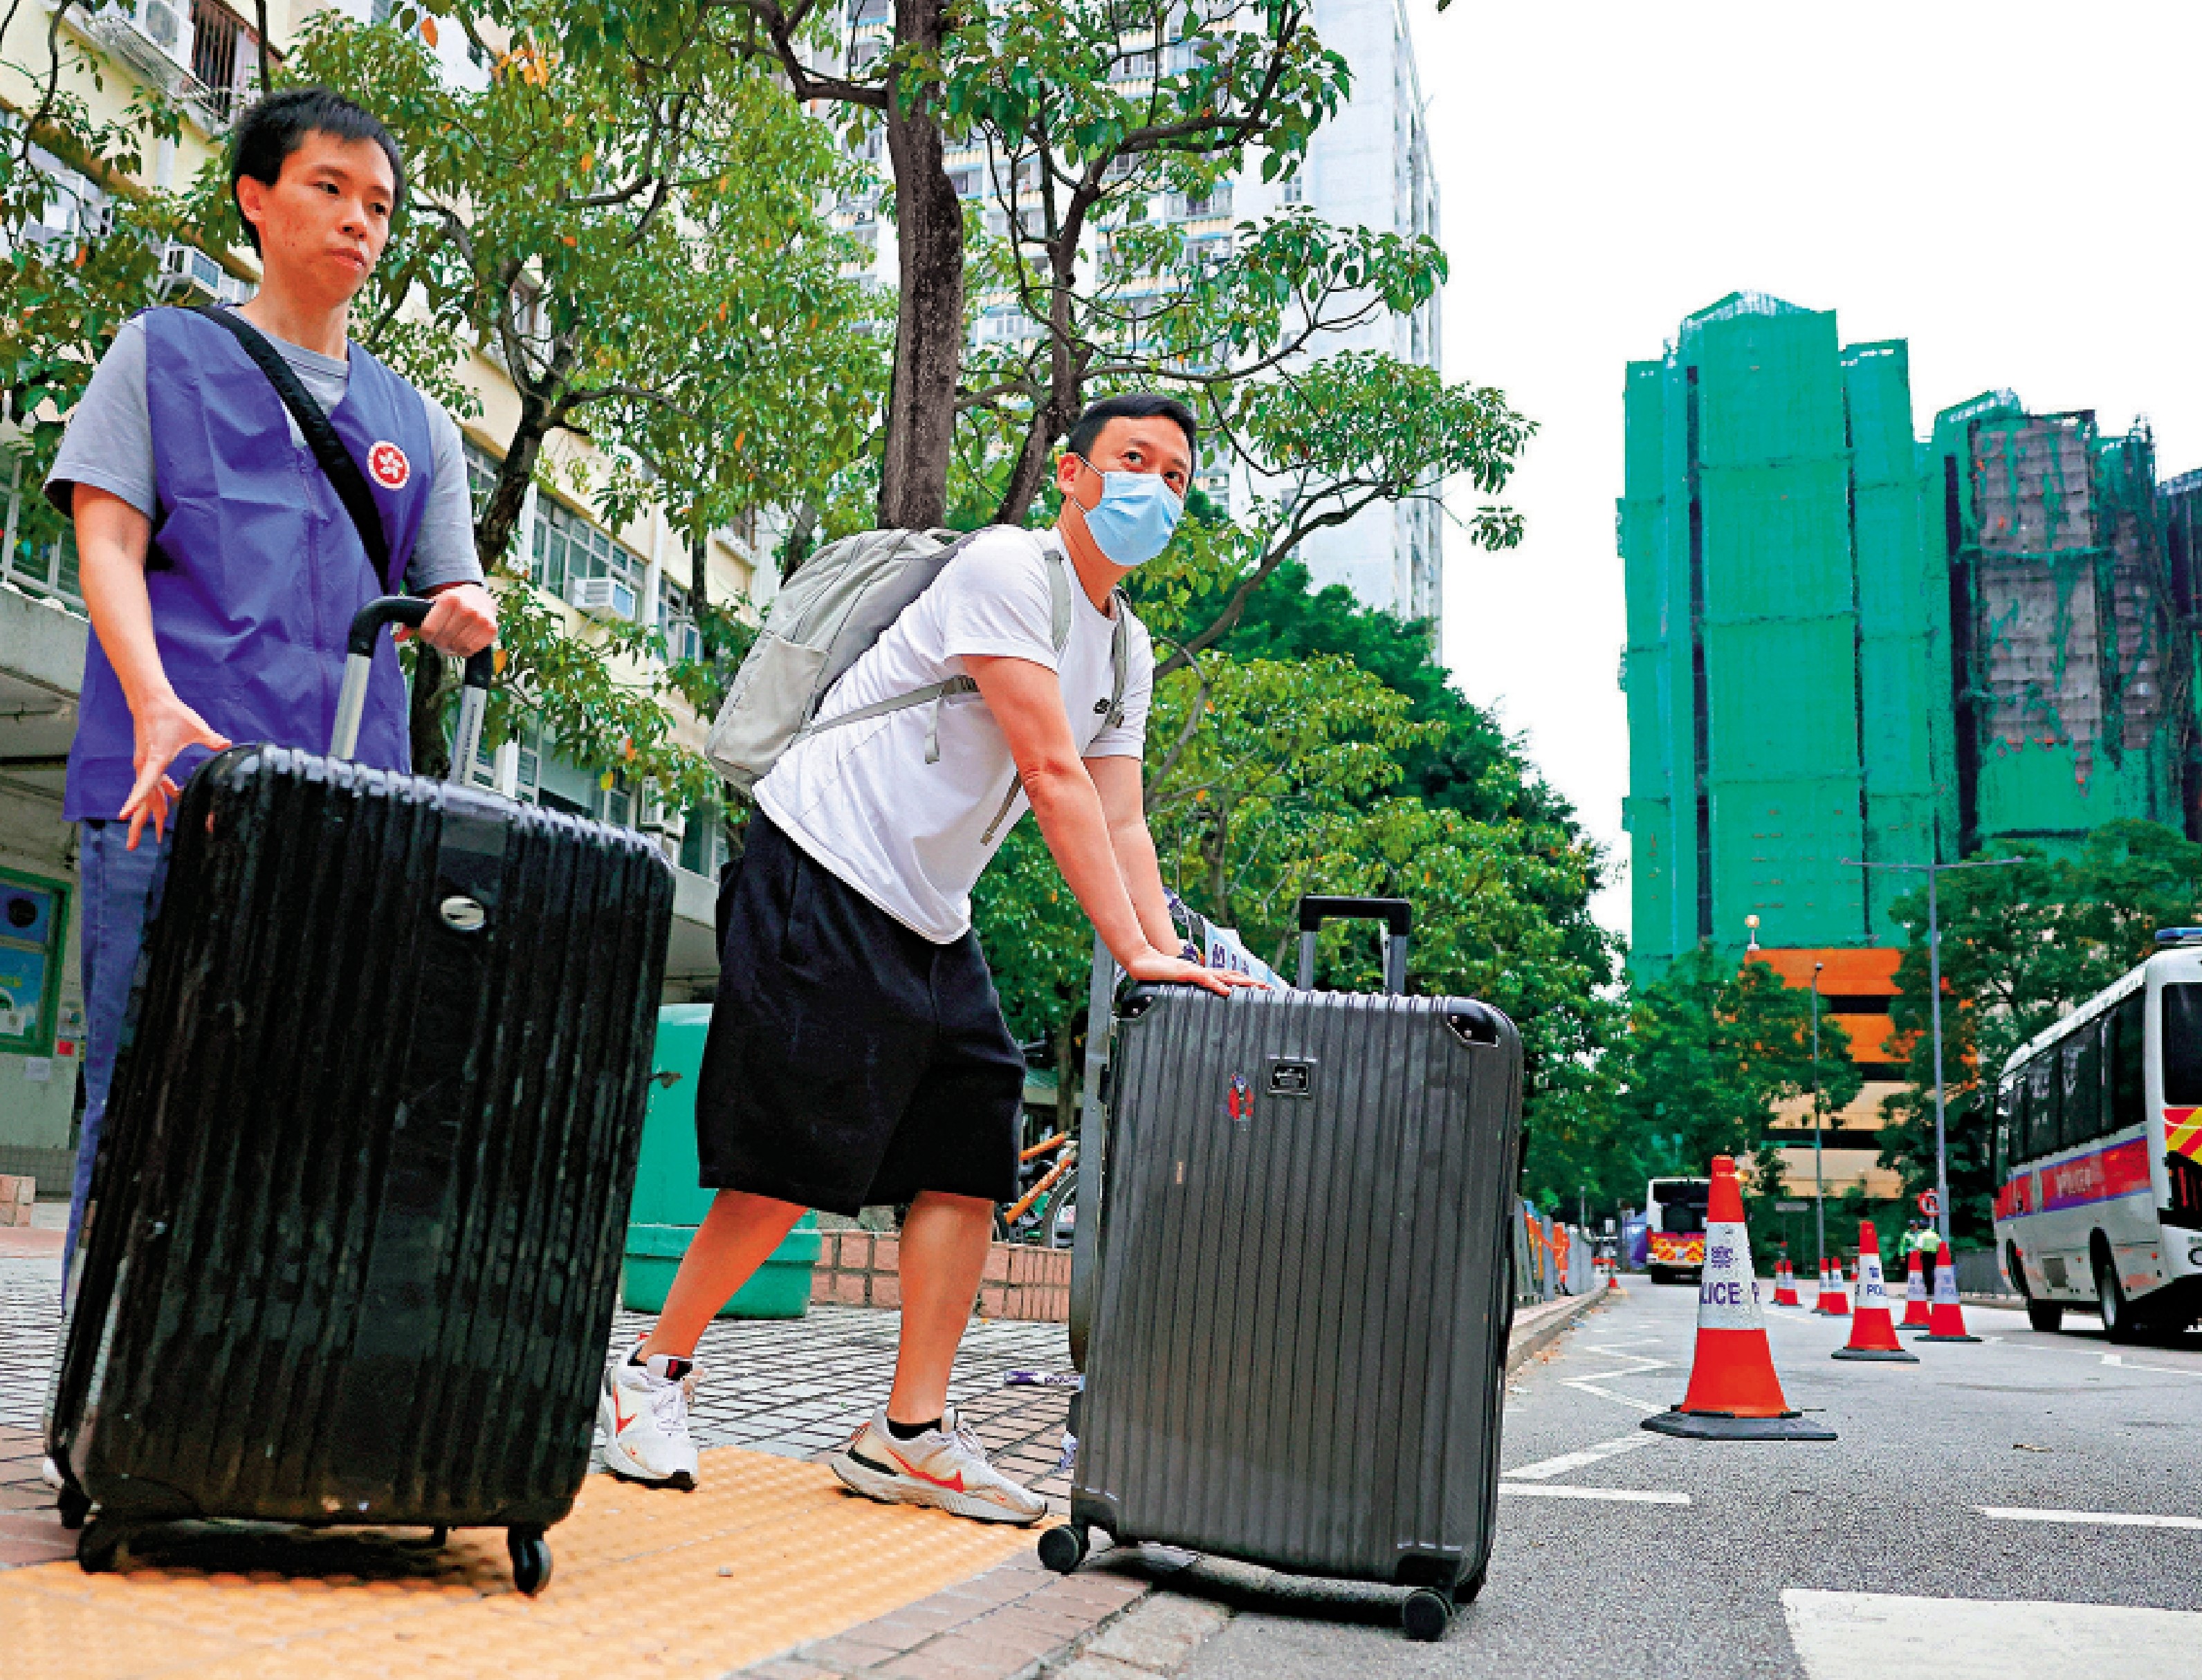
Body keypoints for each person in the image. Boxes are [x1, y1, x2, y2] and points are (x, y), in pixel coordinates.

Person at [600, 393, 1262, 1522]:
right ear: (1073, 473)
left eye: (1177, 474)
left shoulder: (1126, 645)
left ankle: (906, 1431)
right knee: (799, 1148)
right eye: (1132, 458)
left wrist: (1164, 949)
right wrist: (1134, 957)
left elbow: (1124, 818)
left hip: (925, 905)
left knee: (972, 1132)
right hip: (824, 853)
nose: (1155, 485)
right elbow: (1052, 779)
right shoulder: (1009, 567)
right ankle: (648, 1372)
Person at [48, 89, 497, 1284]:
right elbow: (106, 540)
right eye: (329, 189)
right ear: (256, 197)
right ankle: (107, 1415)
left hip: (351, 817)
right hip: (171, 789)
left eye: (381, 205)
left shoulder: (421, 425)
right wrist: (149, 698)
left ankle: (254, 1391)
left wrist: (465, 615)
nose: (360, 222)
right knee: (146, 1093)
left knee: (315, 1105)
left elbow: (460, 597)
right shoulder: (164, 353)